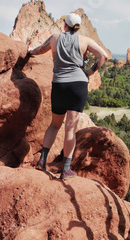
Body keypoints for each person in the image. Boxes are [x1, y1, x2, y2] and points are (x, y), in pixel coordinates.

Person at [27, 12, 108, 179]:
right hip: (78, 86)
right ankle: (66, 169)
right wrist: (89, 72)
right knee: (70, 127)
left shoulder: (55, 38)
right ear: (77, 26)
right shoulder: (85, 40)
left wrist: (29, 53)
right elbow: (103, 56)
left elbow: (39, 50)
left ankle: (42, 161)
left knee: (54, 125)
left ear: (65, 24)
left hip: (59, 85)